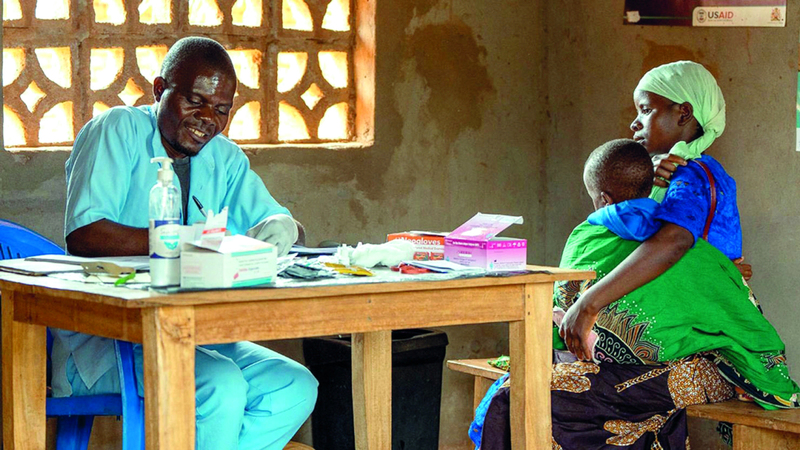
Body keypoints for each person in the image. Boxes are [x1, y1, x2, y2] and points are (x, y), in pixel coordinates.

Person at [56, 36, 317, 449]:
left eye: (221, 110)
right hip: (108, 341)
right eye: (195, 102)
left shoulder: (224, 158)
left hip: (195, 335)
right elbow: (84, 234)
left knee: (293, 386)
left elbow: (281, 222)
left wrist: (285, 227)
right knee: (221, 385)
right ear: (160, 89)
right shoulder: (117, 129)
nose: (207, 119)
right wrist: (184, 242)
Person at [473, 139, 798, 450]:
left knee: (514, 399)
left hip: (654, 374)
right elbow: (745, 317)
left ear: (604, 199)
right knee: (527, 395)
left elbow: (567, 316)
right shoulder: (696, 250)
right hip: (696, 372)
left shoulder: (588, 238)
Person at [560, 60, 752, 362]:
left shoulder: (693, 174)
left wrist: (588, 304)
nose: (634, 123)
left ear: (684, 113)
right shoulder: (663, 173)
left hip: (695, 336)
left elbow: (674, 241)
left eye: (646, 110)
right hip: (678, 320)